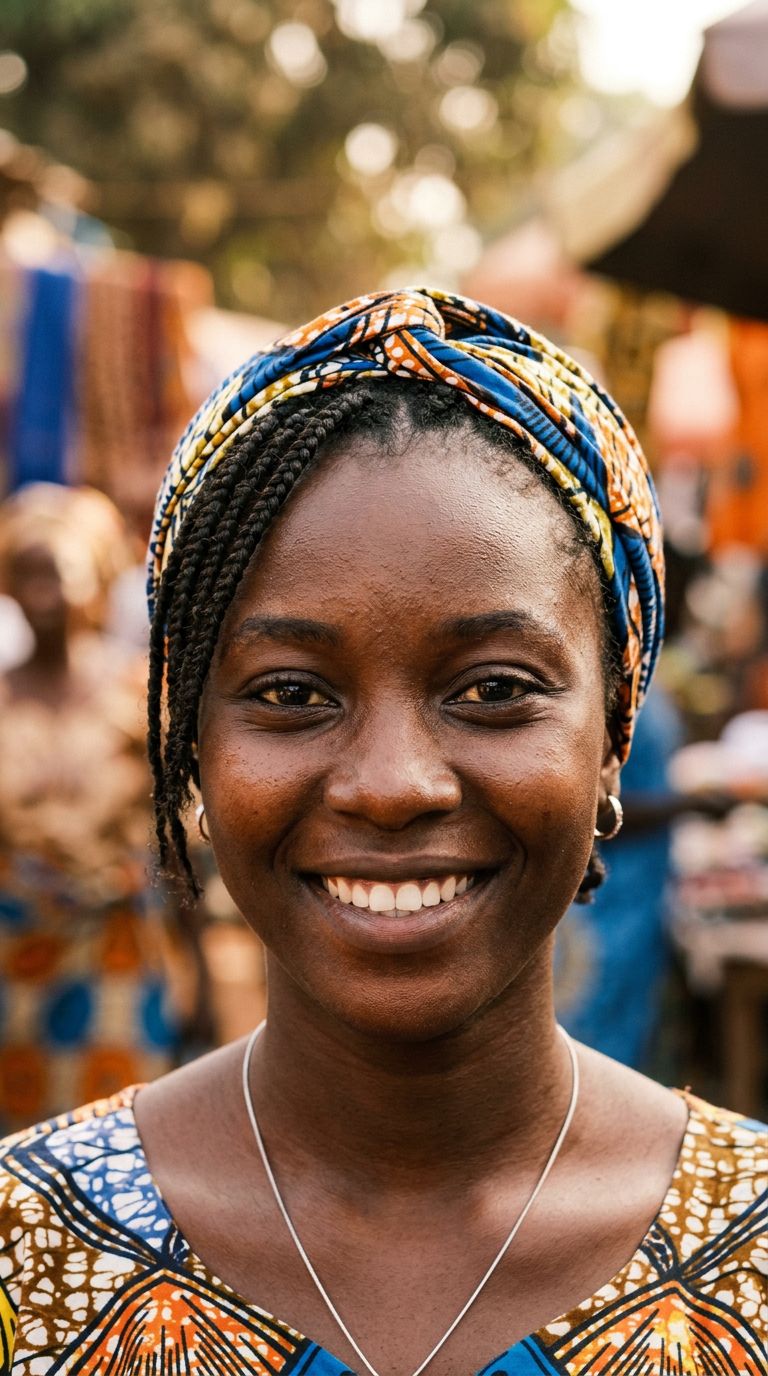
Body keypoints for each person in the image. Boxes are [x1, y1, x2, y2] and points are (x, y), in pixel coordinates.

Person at [0, 290, 764, 1374]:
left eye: (495, 687)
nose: (393, 784)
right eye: (293, 693)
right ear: (191, 748)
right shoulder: (27, 1249)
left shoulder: (752, 1255)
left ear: (611, 737)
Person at [0, 484, 188, 1133]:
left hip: (115, 950)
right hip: (11, 950)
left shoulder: (136, 694)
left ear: (97, 578)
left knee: (114, 1131)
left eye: (55, 570)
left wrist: (201, 975)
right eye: (24, 572)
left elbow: (182, 834)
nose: (41, 590)